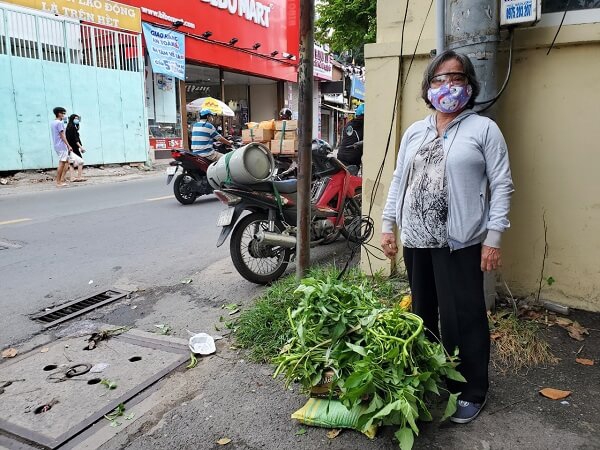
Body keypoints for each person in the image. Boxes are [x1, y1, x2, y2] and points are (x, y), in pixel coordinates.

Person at [380, 50, 514, 424]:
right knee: (423, 314)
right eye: (439, 80)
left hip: (461, 242)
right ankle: (436, 376)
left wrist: (494, 237)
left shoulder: (483, 129)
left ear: (469, 86)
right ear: (427, 88)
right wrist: (388, 225)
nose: (447, 87)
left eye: (456, 79)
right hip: (418, 241)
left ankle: (472, 390)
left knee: (464, 317)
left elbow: (502, 185)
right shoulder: (414, 132)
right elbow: (398, 180)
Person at [50, 107, 72, 187]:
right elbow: (62, 135)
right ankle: (58, 182)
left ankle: (62, 179)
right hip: (61, 145)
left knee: (66, 162)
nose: (64, 115)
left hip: (57, 145)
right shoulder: (59, 123)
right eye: (63, 113)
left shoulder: (53, 122)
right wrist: (68, 145)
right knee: (62, 163)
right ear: (59, 113)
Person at [65, 114, 86, 182]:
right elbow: (75, 139)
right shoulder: (72, 128)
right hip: (73, 147)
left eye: (77, 118)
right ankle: (79, 177)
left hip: (70, 147)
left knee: (72, 162)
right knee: (80, 162)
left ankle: (72, 177)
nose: (77, 120)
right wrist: (81, 147)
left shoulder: (69, 127)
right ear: (72, 119)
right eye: (75, 118)